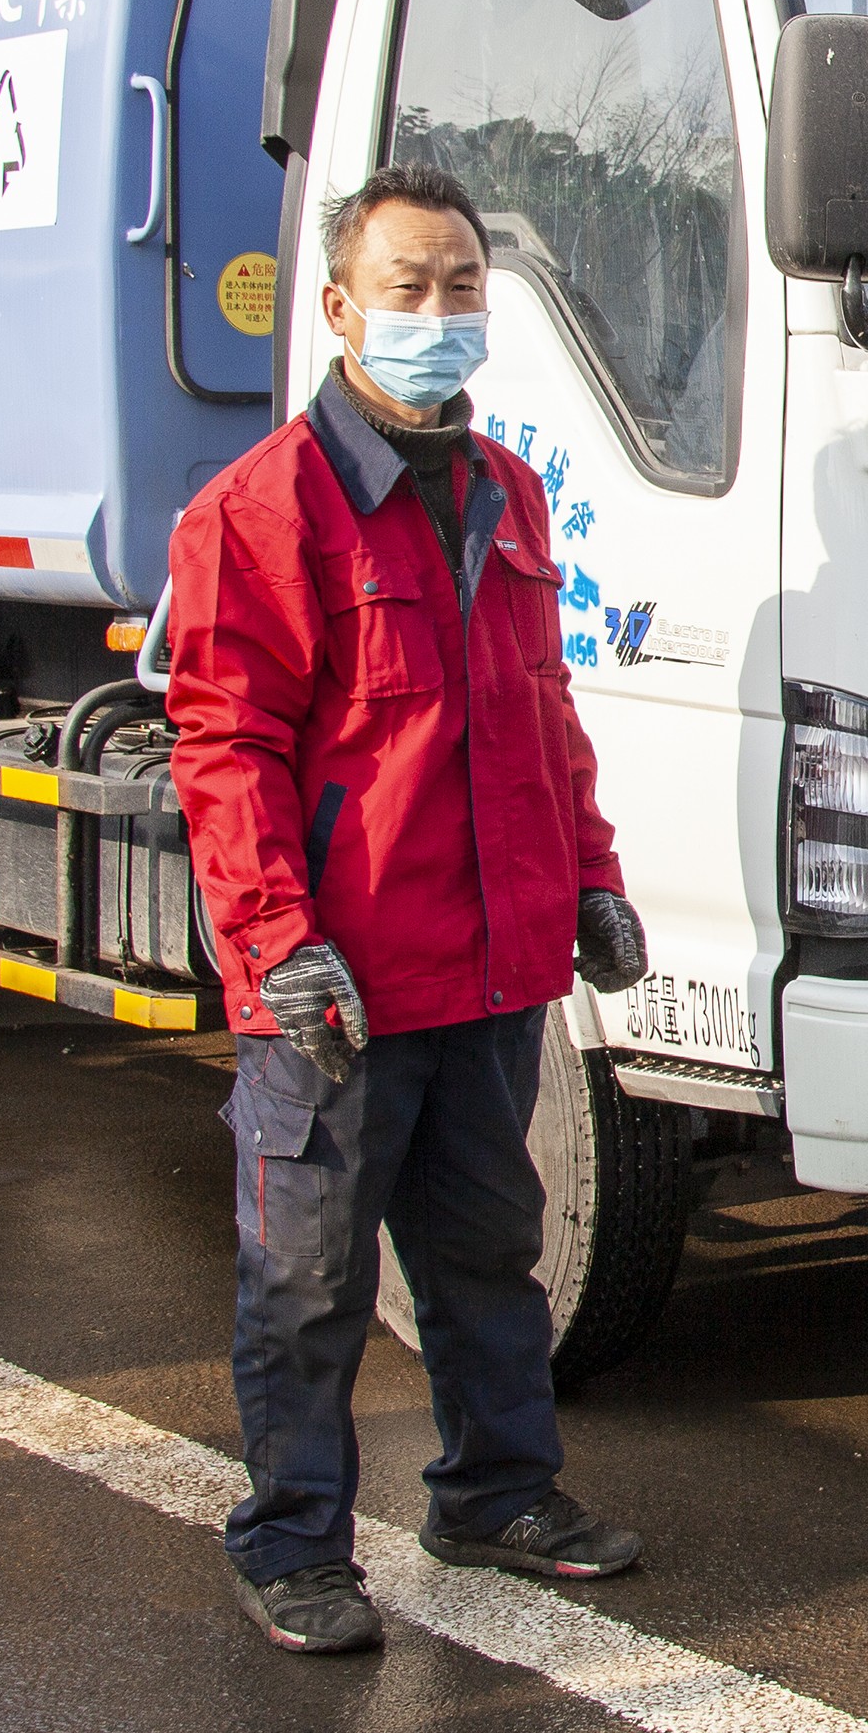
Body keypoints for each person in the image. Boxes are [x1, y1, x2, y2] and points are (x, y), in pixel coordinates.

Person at [166, 164, 658, 1655]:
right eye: (407, 287)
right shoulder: (260, 511)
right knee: (307, 1280)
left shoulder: (503, 492)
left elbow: (537, 712)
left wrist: (590, 879)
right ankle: (294, 1544)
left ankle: (498, 1495)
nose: (439, 312)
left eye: (460, 286)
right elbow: (226, 745)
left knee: (487, 1254)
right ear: (338, 307)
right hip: (341, 982)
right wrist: (275, 940)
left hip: (490, 969)